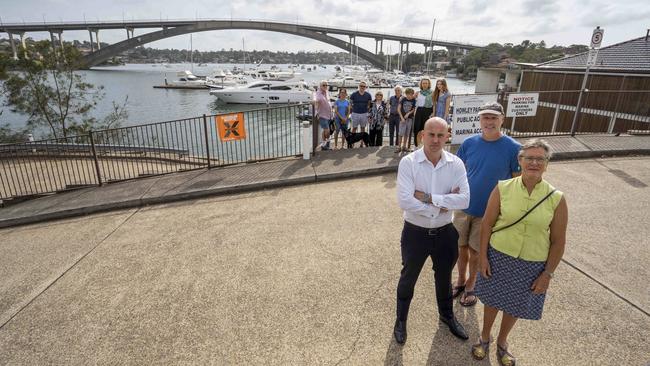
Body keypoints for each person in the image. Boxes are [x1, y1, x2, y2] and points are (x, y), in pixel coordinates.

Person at [471, 139, 568, 365]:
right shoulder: (503, 187)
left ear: (547, 164)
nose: (534, 162)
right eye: (529, 158)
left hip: (532, 262)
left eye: (539, 159)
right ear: (520, 161)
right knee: (493, 300)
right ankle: (484, 336)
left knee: (515, 304)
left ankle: (503, 342)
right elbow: (486, 224)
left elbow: (558, 241)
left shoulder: (556, 198)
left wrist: (548, 274)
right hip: (499, 255)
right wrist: (483, 256)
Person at [394, 117, 471, 345]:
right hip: (415, 233)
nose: (436, 140)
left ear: (447, 136)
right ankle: (401, 320)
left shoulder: (456, 163)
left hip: (445, 232)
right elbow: (405, 201)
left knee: (444, 277)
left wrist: (429, 199)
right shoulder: (409, 162)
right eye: (431, 134)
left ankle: (447, 315)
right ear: (422, 136)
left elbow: (465, 199)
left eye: (441, 135)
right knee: (408, 277)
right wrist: (444, 204)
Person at [452, 102, 521, 308]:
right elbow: (457, 170)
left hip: (488, 212)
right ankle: (460, 280)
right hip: (463, 207)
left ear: (502, 120)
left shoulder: (514, 148)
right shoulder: (469, 143)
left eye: (493, 118)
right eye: (485, 117)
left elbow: (516, 181)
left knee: (476, 251)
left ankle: (472, 285)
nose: (489, 122)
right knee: (459, 247)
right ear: (480, 120)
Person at [412, 78, 434, 147]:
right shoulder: (418, 93)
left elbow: (434, 104)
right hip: (419, 112)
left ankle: (427, 146)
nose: (424, 85)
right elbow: (411, 100)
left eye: (426, 83)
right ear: (421, 84)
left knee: (427, 130)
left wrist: (433, 113)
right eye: (423, 83)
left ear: (428, 84)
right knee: (417, 129)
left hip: (428, 112)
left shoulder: (432, 93)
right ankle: (417, 146)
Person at [396, 87, 416, 153]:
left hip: (409, 119)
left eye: (411, 94)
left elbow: (413, 109)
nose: (410, 96)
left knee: (406, 134)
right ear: (406, 94)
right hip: (402, 119)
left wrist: (408, 113)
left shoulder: (413, 100)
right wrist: (401, 117)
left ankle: (404, 146)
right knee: (401, 133)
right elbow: (398, 109)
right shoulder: (403, 99)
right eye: (408, 94)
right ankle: (399, 147)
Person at [313, 80, 333, 150]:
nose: (325, 86)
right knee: (327, 131)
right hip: (322, 115)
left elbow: (328, 102)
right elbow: (316, 99)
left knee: (325, 130)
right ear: (320, 86)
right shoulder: (318, 93)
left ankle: (324, 145)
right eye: (323, 85)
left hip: (328, 115)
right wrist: (315, 102)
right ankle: (326, 143)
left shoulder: (326, 92)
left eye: (326, 85)